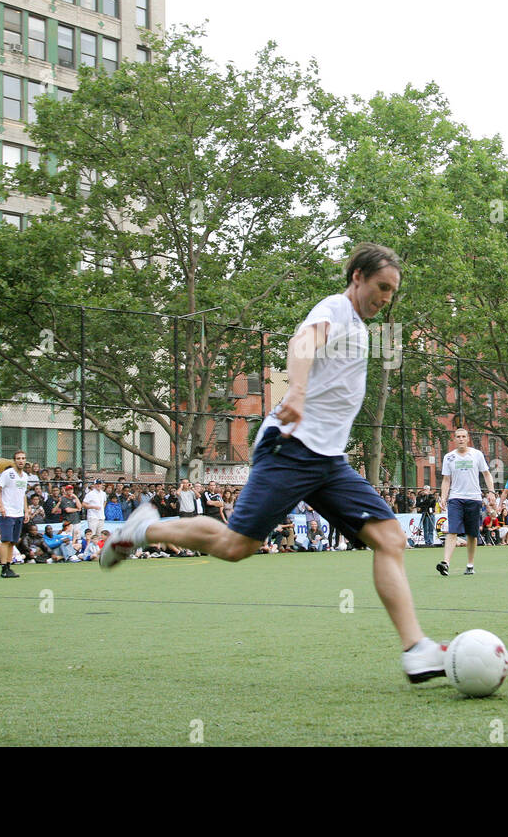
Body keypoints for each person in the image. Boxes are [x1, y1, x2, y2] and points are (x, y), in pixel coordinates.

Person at [101, 243, 448, 683]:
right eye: (382, 287)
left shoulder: (360, 327)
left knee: (390, 539)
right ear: (358, 277)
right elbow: (302, 343)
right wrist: (297, 392)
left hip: (328, 461)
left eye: (392, 292)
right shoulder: (336, 309)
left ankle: (416, 650)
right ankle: (143, 530)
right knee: (234, 547)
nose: (386, 298)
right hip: (290, 448)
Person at [437, 428, 494, 576]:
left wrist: (491, 492)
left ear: (468, 438)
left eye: (463, 436)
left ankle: (470, 564)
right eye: (458, 437)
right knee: (452, 530)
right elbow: (446, 480)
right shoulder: (449, 457)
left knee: (472, 534)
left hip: (474, 498)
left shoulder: (477, 455)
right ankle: (446, 563)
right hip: (455, 498)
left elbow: (487, 474)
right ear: (454, 439)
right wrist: (443, 497)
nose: (461, 439)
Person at [0, 450, 28, 578]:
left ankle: (9, 566)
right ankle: (3, 568)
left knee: (13, 541)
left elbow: (23, 494)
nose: (21, 460)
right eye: (18, 458)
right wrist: (1, 506)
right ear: (14, 460)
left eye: (23, 458)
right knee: (6, 540)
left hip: (19, 513)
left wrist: (26, 510)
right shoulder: (8, 474)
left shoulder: (25, 476)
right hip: (7, 512)